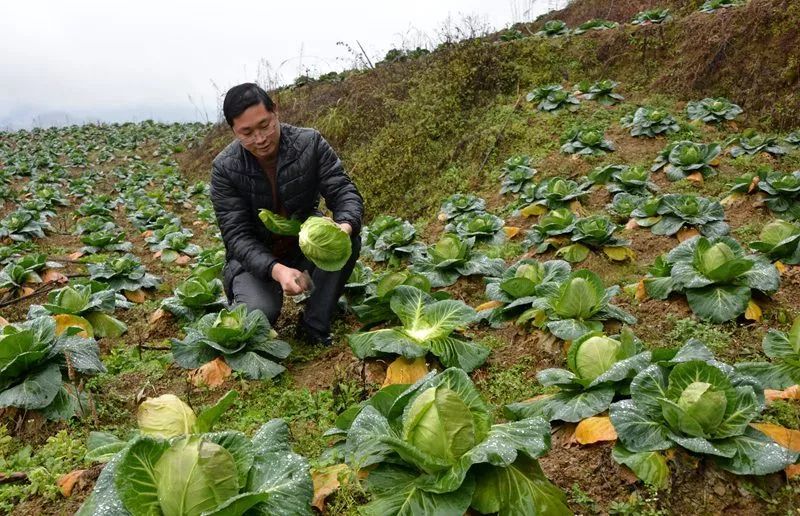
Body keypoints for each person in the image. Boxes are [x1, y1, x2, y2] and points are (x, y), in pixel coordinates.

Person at [210, 82, 363, 346]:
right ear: (233, 131)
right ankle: (249, 296)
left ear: (275, 112)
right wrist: (277, 271)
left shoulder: (309, 143)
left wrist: (344, 226)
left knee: (346, 241)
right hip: (255, 262)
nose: (260, 139)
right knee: (259, 314)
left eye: (264, 125)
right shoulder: (225, 168)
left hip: (303, 249)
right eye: (246, 132)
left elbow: (344, 192)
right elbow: (237, 237)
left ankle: (314, 323)